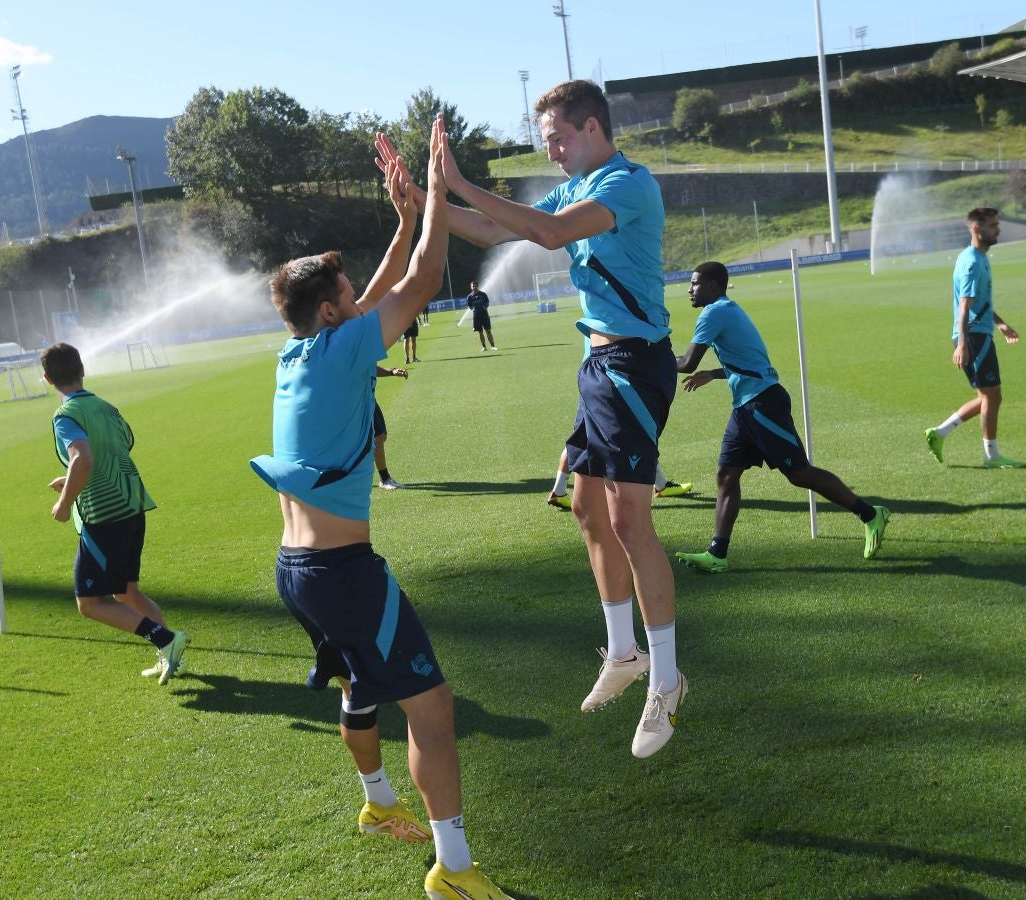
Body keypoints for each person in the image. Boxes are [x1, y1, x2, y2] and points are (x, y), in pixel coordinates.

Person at [382, 80, 685, 758]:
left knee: (630, 521)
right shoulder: (576, 188)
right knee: (586, 507)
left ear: (592, 128)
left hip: (634, 365)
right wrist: (425, 200)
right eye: (546, 140)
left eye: (557, 138)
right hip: (599, 365)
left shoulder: (627, 184)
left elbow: (546, 235)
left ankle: (667, 681)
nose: (550, 151)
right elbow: (495, 229)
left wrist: (458, 180)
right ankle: (623, 653)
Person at [248, 121, 511, 900]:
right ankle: (454, 869)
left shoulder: (299, 352)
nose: (357, 297)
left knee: (360, 685)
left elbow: (376, 292)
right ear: (332, 315)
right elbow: (423, 280)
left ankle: (376, 805)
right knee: (433, 707)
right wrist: (434, 192)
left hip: (297, 571)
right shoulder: (343, 349)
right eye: (345, 294)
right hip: (342, 573)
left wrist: (401, 219)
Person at [672, 262, 891, 572]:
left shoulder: (713, 313)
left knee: (799, 474)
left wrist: (649, 358)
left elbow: (686, 362)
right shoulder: (727, 309)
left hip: (763, 405)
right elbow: (749, 359)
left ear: (713, 285)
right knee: (727, 476)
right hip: (746, 407)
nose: (690, 290)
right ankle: (717, 554)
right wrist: (714, 373)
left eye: (694, 283)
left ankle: (870, 514)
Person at [40, 342, 189, 684]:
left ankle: (166, 639)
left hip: (106, 516)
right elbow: (116, 449)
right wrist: (70, 479)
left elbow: (84, 458)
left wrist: (65, 503)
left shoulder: (65, 416)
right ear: (82, 370)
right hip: (133, 505)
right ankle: (170, 654)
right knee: (127, 592)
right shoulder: (106, 407)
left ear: (47, 379)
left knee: (89, 603)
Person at [925, 207, 1023, 469]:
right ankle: (991, 456)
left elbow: (979, 302)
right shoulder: (972, 263)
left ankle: (939, 433)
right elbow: (964, 306)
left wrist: (1000, 323)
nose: (998, 229)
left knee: (987, 397)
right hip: (974, 338)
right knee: (992, 396)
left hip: (978, 334)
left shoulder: (977, 257)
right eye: (993, 225)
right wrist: (962, 344)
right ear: (977, 229)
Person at [547, 447, 692, 509]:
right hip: (606, 395)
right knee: (639, 432)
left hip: (594, 395)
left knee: (580, 437)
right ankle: (661, 485)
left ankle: (558, 491)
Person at [373, 366, 409, 490]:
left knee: (380, 436)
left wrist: (391, 371)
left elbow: (369, 366)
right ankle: (384, 479)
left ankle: (384, 478)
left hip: (368, 398)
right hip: (357, 400)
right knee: (378, 436)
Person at [465, 281, 496, 351]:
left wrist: (484, 308)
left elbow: (487, 302)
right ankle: (484, 347)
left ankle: (493, 346)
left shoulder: (483, 294)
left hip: (484, 315)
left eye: (475, 286)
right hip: (476, 316)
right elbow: (470, 306)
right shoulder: (469, 297)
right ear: (471, 287)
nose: (474, 287)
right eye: (473, 286)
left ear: (477, 286)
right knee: (480, 332)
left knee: (488, 330)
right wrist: (474, 309)